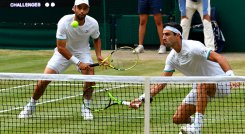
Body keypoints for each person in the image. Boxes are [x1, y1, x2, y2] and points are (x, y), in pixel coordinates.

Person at [130, 22, 239, 133]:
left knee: (202, 84)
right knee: (178, 118)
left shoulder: (193, 47)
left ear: (177, 35)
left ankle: (197, 127)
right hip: (201, 87)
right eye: (163, 35)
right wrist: (141, 98)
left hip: (221, 82)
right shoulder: (171, 58)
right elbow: (161, 83)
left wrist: (230, 76)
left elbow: (219, 57)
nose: (163, 38)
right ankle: (192, 125)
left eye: (167, 34)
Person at [18, 0, 104, 120]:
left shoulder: (93, 23)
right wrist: (78, 63)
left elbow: (96, 38)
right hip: (62, 53)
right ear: (74, 8)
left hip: (82, 52)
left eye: (85, 8)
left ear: (88, 9)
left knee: (90, 77)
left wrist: (99, 55)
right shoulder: (64, 21)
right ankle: (31, 105)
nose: (82, 10)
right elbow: (61, 48)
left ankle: (86, 108)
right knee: (44, 80)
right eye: (79, 7)